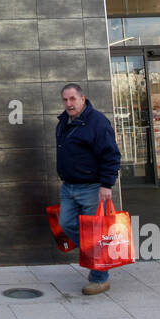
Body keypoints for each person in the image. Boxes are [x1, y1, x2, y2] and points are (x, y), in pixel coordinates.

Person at [55, 83, 122, 295]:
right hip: (69, 187)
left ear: (83, 99)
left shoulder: (97, 122)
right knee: (66, 224)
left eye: (73, 99)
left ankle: (100, 278)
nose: (69, 104)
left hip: (92, 188)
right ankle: (92, 254)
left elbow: (111, 155)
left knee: (95, 233)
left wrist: (106, 184)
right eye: (65, 100)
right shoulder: (63, 122)